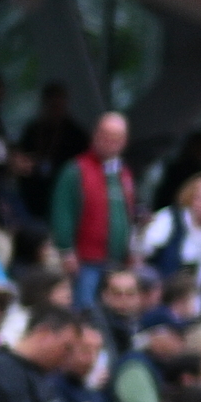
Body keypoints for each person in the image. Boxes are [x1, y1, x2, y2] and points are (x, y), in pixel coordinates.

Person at [50, 111, 137, 305]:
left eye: (116, 138)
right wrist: (66, 250)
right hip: (85, 260)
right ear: (95, 136)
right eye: (106, 136)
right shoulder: (76, 170)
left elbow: (127, 214)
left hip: (116, 261)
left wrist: (130, 250)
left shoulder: (123, 173)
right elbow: (62, 212)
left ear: (124, 141)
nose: (110, 142)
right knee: (85, 309)